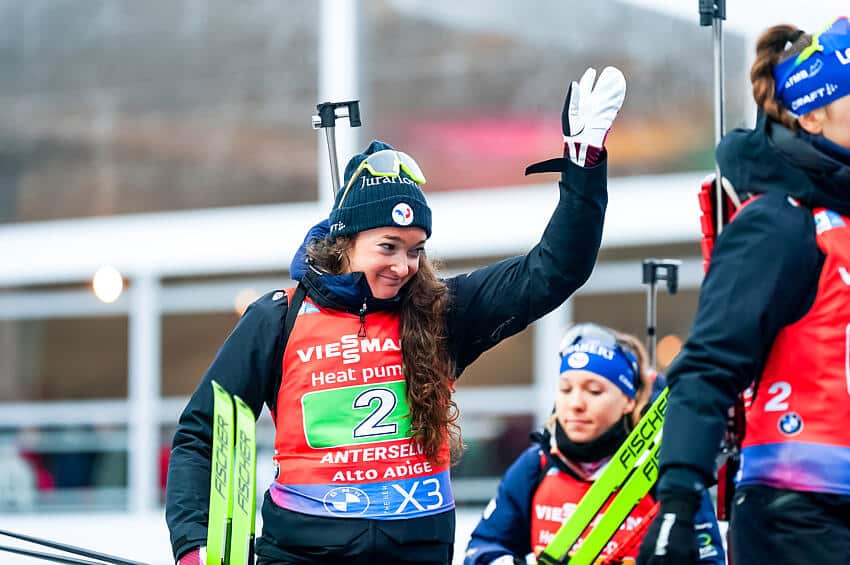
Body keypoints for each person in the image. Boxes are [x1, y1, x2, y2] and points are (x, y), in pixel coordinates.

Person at [165, 65, 626, 565]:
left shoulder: (442, 312)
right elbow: (201, 435)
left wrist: (583, 165)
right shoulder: (278, 317)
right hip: (302, 553)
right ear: (345, 242)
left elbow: (555, 269)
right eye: (387, 246)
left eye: (415, 249)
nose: (403, 265)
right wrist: (196, 548)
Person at [638, 16, 850, 565]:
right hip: (799, 513)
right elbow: (709, 362)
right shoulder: (780, 222)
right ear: (813, 112)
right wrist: (678, 501)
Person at [464, 323, 724, 565]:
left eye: (594, 391)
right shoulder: (537, 464)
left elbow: (709, 556)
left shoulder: (662, 469)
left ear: (628, 401)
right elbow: (484, 547)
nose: (576, 403)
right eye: (566, 389)